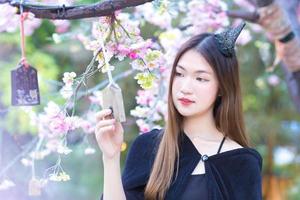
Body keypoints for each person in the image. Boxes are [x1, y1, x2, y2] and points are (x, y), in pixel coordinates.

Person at [95, 22, 263, 200]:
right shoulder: (149, 146)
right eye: (180, 74)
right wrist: (111, 158)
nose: (185, 87)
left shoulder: (240, 163)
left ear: (222, 87)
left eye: (200, 78)